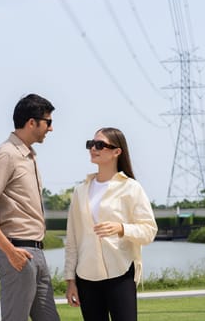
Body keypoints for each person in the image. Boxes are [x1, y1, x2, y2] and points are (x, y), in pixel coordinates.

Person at [0, 93, 60, 321]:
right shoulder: (6, 155)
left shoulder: (29, 157)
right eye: (48, 122)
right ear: (32, 122)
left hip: (35, 252)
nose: (51, 128)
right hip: (17, 252)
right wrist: (11, 252)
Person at [64, 127, 157, 321]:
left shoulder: (131, 188)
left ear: (117, 151)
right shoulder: (80, 191)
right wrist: (70, 281)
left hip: (120, 273)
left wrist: (121, 228)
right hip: (85, 277)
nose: (93, 148)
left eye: (100, 145)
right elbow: (72, 240)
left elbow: (149, 230)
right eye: (91, 144)